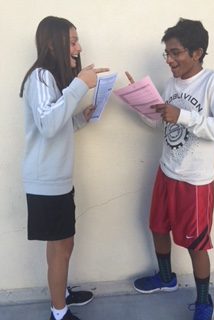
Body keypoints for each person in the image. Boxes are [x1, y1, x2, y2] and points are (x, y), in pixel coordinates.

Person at [130, 18, 214, 320]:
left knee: (196, 245)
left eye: (175, 53)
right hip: (167, 171)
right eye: (167, 53)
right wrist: (140, 103)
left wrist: (184, 116)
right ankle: (166, 278)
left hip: (195, 181)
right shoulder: (171, 83)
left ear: (197, 52)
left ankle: (204, 301)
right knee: (158, 228)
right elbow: (163, 121)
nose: (170, 60)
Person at [20, 16, 109, 320]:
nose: (78, 47)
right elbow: (46, 125)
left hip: (57, 180)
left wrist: (80, 117)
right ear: (51, 43)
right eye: (72, 41)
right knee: (61, 246)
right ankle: (59, 312)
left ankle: (62, 292)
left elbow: (57, 125)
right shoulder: (40, 77)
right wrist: (79, 85)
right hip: (46, 183)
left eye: (76, 40)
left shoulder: (53, 80)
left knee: (63, 243)